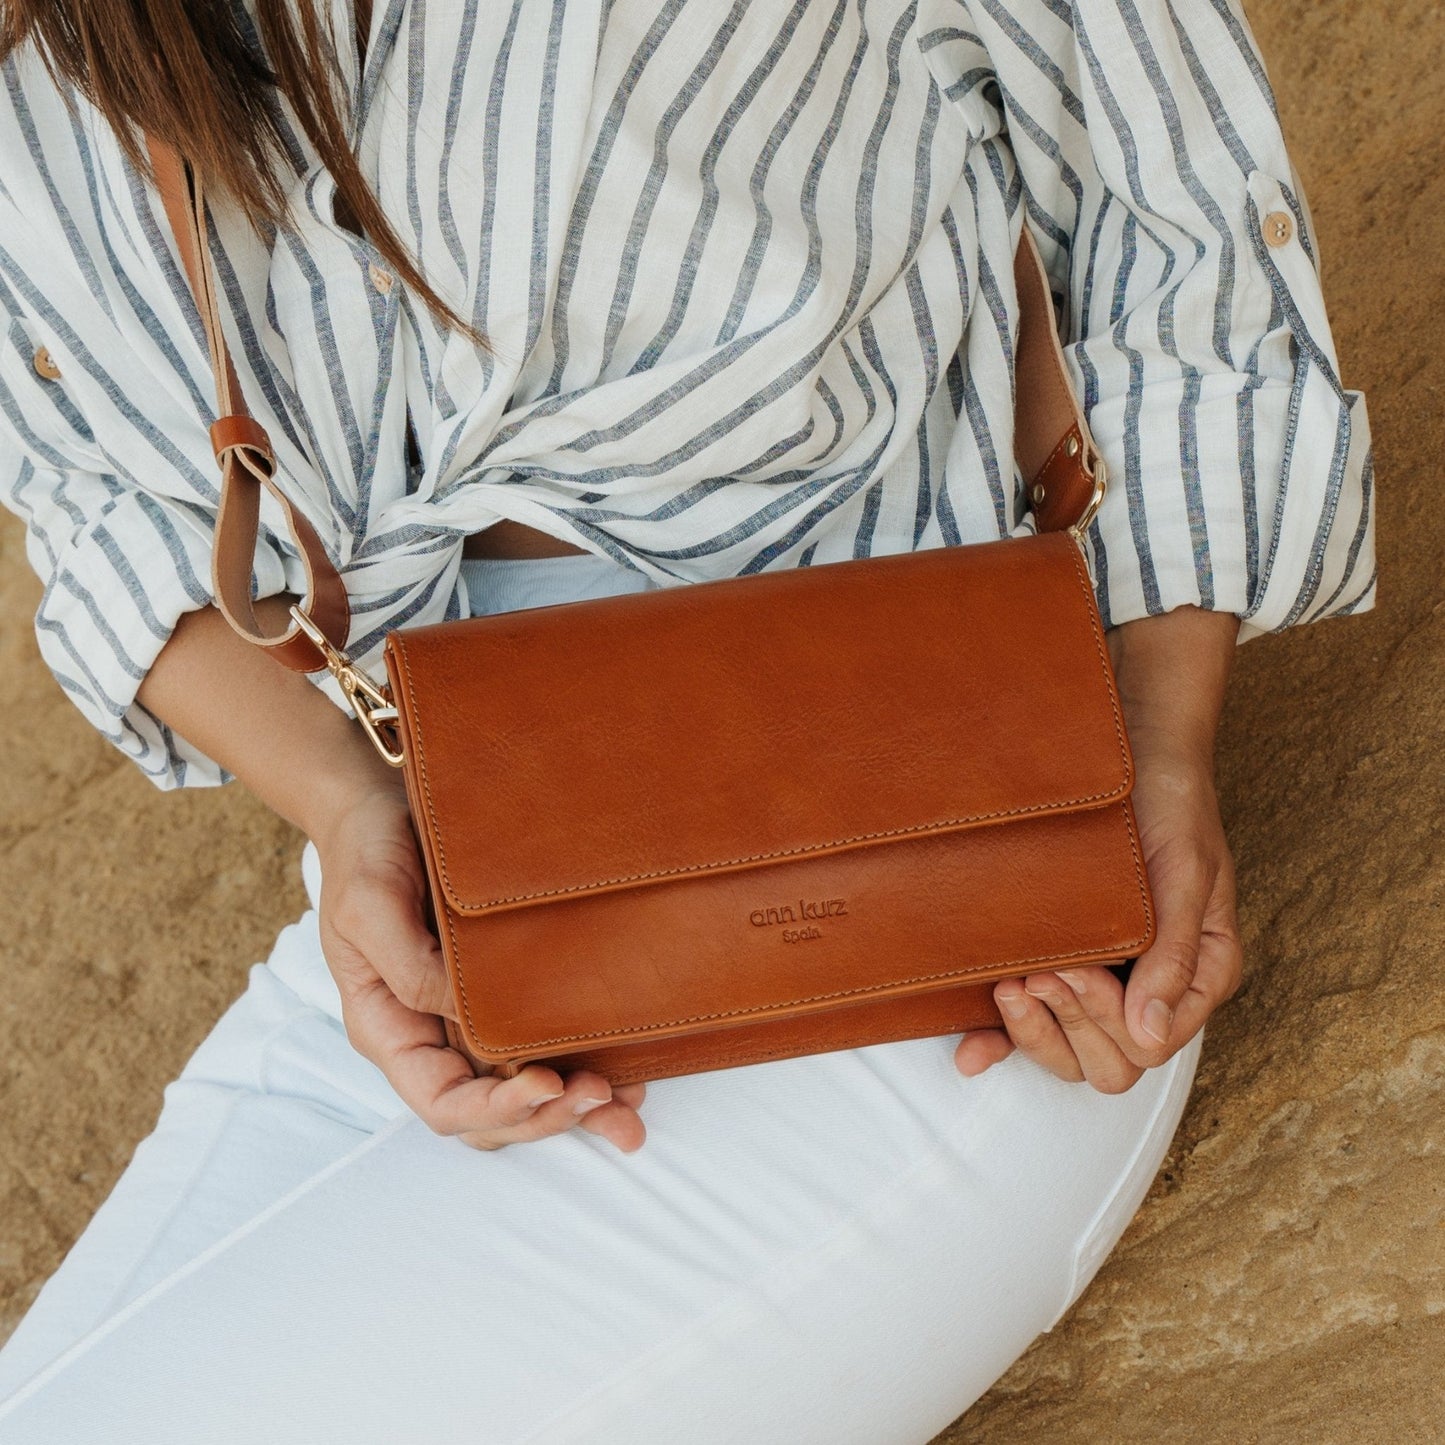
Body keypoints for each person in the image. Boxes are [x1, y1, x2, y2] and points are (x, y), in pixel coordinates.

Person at [0, 0, 1373, 1439]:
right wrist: (358, 818)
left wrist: (1154, 736)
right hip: (461, 921)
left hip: (937, 952)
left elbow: (1168, 205)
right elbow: (100, 498)